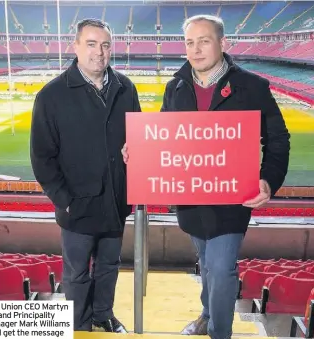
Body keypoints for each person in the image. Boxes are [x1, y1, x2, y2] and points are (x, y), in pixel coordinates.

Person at [122, 15, 290, 339]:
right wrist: (139, 150)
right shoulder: (176, 87)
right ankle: (207, 312)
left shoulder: (252, 87)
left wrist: (268, 180)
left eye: (204, 41)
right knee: (206, 262)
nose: (196, 49)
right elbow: (164, 136)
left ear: (222, 43)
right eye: (189, 42)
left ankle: (218, 331)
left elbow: (278, 139)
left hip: (231, 201)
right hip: (190, 201)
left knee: (222, 269)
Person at [30, 18, 141, 333]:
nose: (99, 52)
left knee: (109, 266)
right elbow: (42, 158)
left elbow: (138, 138)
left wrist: (134, 153)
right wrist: (65, 201)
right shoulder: (51, 96)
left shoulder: (125, 88)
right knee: (77, 273)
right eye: (91, 44)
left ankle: (103, 314)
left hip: (115, 201)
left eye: (105, 45)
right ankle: (78, 324)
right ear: (75, 46)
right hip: (77, 205)